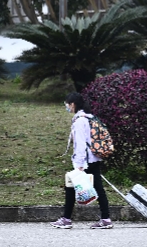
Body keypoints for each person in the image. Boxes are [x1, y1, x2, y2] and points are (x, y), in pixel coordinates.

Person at [50, 92, 112, 230]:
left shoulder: (80, 121)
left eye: (67, 104)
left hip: (85, 161)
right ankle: (105, 218)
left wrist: (79, 165)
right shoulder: (89, 118)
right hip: (94, 158)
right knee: (96, 187)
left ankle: (67, 219)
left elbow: (80, 144)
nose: (67, 107)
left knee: (72, 186)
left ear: (73, 104)